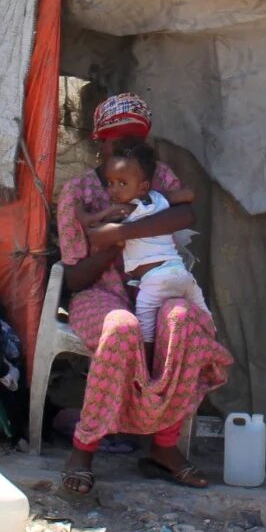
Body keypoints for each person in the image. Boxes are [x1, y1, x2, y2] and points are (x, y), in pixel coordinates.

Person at [54, 94, 232, 495]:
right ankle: (84, 448)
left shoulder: (156, 175)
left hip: (156, 285)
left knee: (184, 321)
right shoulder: (79, 192)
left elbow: (184, 213)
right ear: (100, 142)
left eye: (135, 140)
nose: (127, 149)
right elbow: (76, 279)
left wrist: (123, 231)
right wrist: (113, 247)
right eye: (118, 141)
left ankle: (164, 447)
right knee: (122, 328)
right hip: (99, 294)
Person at [94, 142, 208, 365]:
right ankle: (211, 360)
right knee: (205, 322)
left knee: (145, 332)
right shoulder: (158, 200)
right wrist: (160, 197)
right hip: (182, 274)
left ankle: (144, 372)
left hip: (155, 281)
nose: (113, 190)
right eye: (110, 183)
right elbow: (189, 194)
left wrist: (86, 215)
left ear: (143, 186)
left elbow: (95, 231)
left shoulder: (123, 210)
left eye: (122, 183)